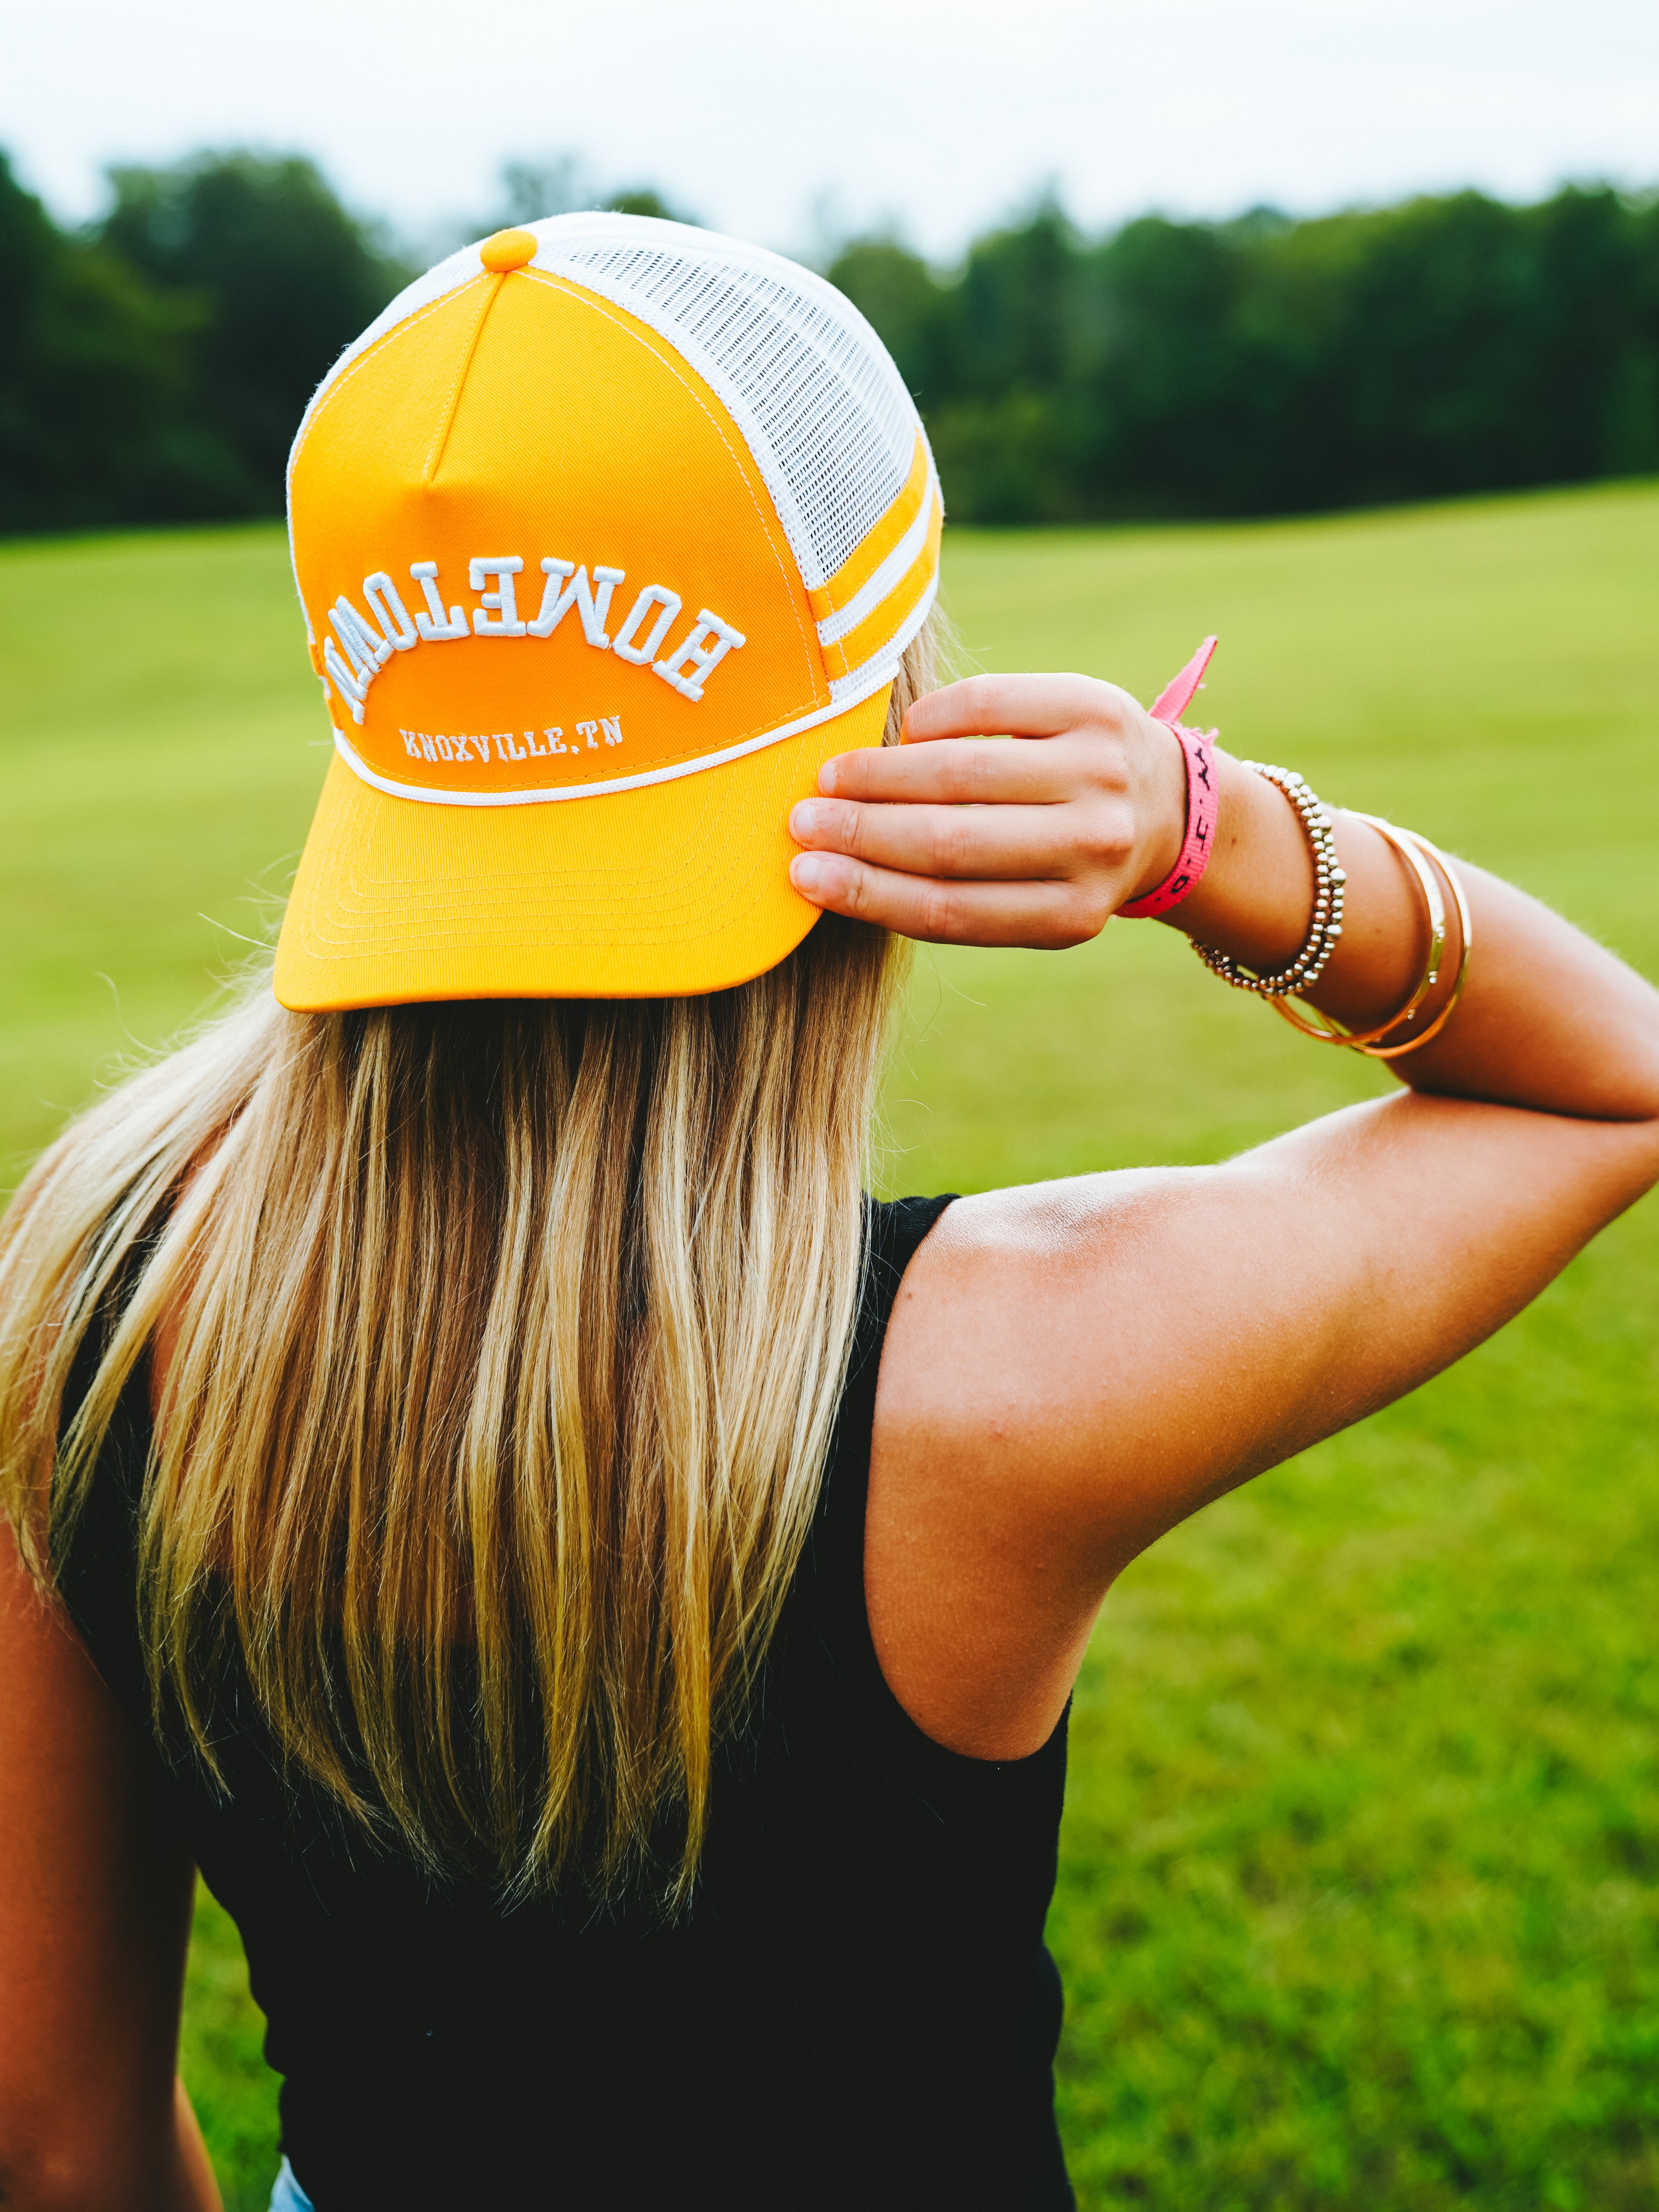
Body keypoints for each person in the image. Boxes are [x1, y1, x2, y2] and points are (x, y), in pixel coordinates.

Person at [1, 213, 1655, 2212]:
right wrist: (1213, 837)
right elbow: (1609, 1077)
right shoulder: (1011, 1370)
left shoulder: (85, 1279)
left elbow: (62, 2136)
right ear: (898, 714)